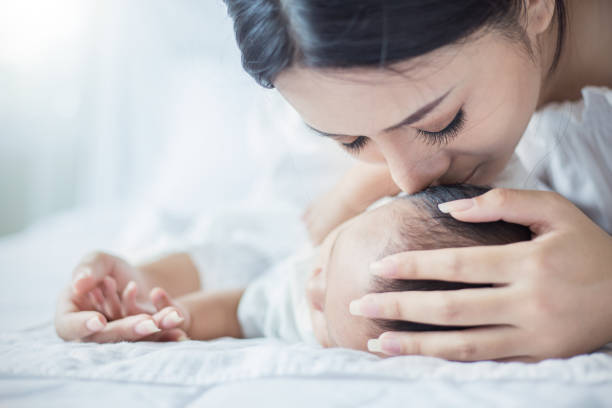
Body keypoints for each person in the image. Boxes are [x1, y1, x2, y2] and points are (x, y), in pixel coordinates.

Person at [216, 0, 612, 360]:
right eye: (351, 141)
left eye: (441, 124)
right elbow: (255, 245)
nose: (406, 180)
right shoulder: (325, 80)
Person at [58, 185, 537, 361]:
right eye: (327, 262)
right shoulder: (377, 211)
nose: (308, 283)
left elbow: (241, 308)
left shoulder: (312, 315)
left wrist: (177, 319)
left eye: (322, 315)